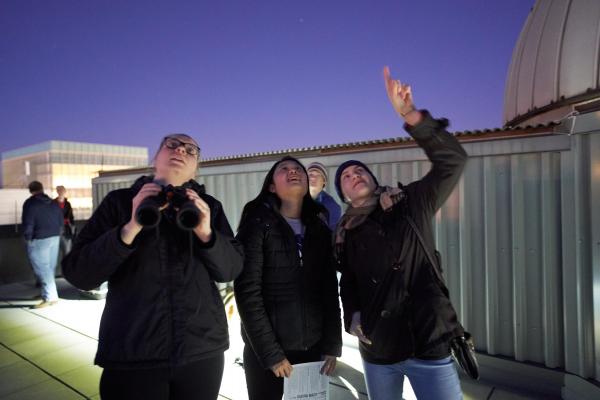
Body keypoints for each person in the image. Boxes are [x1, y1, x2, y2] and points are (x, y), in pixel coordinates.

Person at [62, 134, 244, 400]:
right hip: (133, 350)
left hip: (200, 351)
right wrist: (130, 226)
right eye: (172, 144)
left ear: (196, 167)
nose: (181, 149)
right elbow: (80, 273)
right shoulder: (119, 202)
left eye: (191, 150)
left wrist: (207, 234)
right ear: (155, 158)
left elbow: (230, 269)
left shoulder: (210, 207)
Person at [334, 67, 468, 400]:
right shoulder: (345, 233)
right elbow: (348, 280)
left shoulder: (410, 202)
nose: (354, 175)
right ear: (344, 195)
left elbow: (453, 160)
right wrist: (351, 315)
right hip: (378, 350)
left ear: (371, 178)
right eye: (346, 176)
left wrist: (412, 116)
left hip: (429, 341)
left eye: (358, 169)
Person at [234, 156, 342, 400]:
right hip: (268, 354)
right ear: (272, 185)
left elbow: (329, 291)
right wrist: (271, 353)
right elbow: (247, 292)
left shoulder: (319, 228)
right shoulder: (257, 223)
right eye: (284, 169)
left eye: (298, 169)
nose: (293, 171)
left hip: (312, 350)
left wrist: (332, 345)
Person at [22, 180, 63, 308]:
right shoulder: (52, 202)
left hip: (39, 238)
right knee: (49, 267)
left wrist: (28, 238)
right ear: (42, 188)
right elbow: (60, 220)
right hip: (55, 236)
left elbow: (28, 222)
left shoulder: (30, 203)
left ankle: (50, 297)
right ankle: (47, 293)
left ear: (31, 190)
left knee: (42, 268)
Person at [307, 161, 342, 230]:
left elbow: (331, 236)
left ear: (324, 182)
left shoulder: (332, 206)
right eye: (310, 174)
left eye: (318, 175)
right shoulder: (294, 199)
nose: (313, 178)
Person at [54, 185, 75, 258]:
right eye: (59, 190)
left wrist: (72, 225)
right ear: (57, 192)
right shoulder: (53, 204)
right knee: (54, 252)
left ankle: (66, 267)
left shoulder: (68, 204)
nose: (61, 192)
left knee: (67, 251)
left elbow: (71, 217)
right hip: (55, 229)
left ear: (65, 192)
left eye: (62, 191)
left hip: (66, 229)